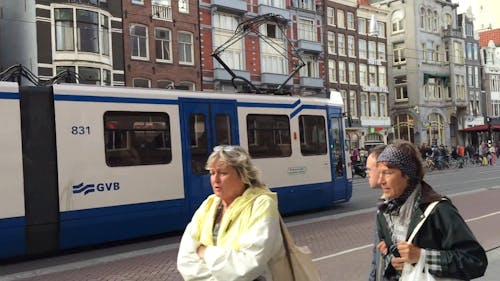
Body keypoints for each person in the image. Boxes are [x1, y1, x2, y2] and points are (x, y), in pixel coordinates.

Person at [373, 140, 488, 280]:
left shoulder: (438, 210)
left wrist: (422, 257)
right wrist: (391, 260)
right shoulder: (384, 211)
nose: (381, 181)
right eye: (379, 173)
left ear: (407, 175)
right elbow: (392, 261)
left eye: (387, 173)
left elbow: (475, 261)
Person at [177, 145, 284, 281]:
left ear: (243, 175)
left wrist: (205, 252)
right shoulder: (209, 205)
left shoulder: (261, 205)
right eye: (212, 173)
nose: (215, 180)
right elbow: (185, 259)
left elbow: (249, 264)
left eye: (222, 173)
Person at [366, 144, 387, 281]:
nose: (366, 172)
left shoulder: (431, 209)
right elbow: (377, 255)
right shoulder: (383, 205)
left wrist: (420, 256)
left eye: (369, 169)